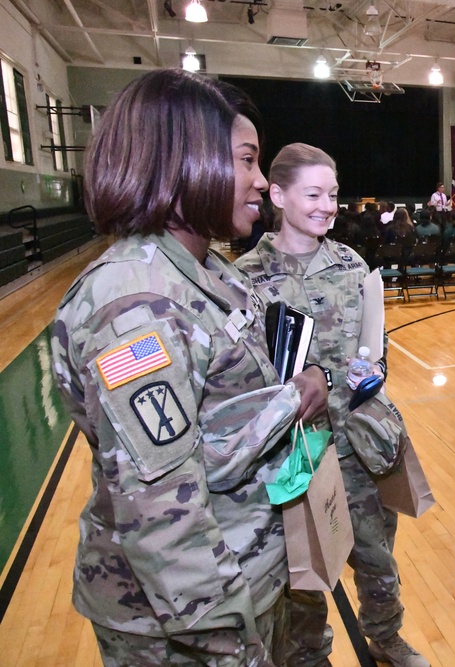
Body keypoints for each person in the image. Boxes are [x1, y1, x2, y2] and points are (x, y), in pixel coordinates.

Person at [50, 69, 330, 666]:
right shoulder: (137, 304)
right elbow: (165, 520)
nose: (260, 182)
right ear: (184, 163)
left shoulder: (208, 272)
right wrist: (235, 648)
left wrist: (294, 390)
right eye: (247, 161)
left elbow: (226, 408)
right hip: (189, 627)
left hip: (247, 586)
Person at [236, 143, 430, 667]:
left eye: (333, 195)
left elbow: (376, 348)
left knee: (376, 559)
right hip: (296, 454)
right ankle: (310, 656)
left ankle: (385, 638)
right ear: (277, 195)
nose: (327, 206)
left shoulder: (352, 265)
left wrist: (373, 371)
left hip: (361, 448)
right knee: (304, 574)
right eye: (314, 194)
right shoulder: (246, 278)